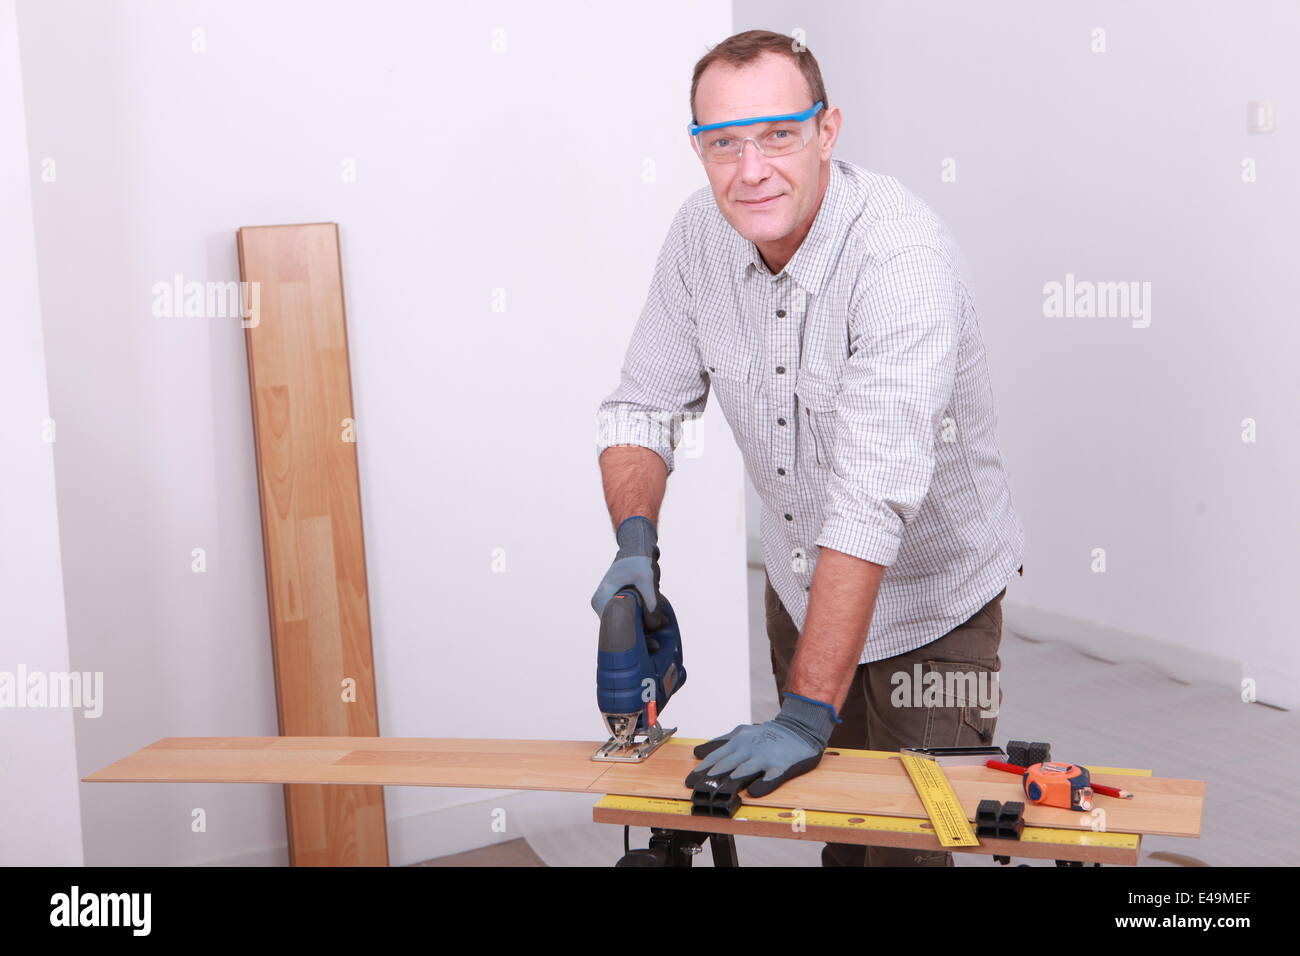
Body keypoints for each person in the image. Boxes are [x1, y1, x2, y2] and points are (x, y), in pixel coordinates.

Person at [591, 29, 1024, 866]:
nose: (750, 169)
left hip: (937, 603)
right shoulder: (699, 239)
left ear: (827, 132)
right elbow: (642, 405)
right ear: (699, 150)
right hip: (803, 584)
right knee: (834, 833)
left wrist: (802, 713)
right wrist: (635, 543)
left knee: (907, 846)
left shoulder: (901, 262)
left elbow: (868, 506)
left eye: (778, 134)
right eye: (723, 143)